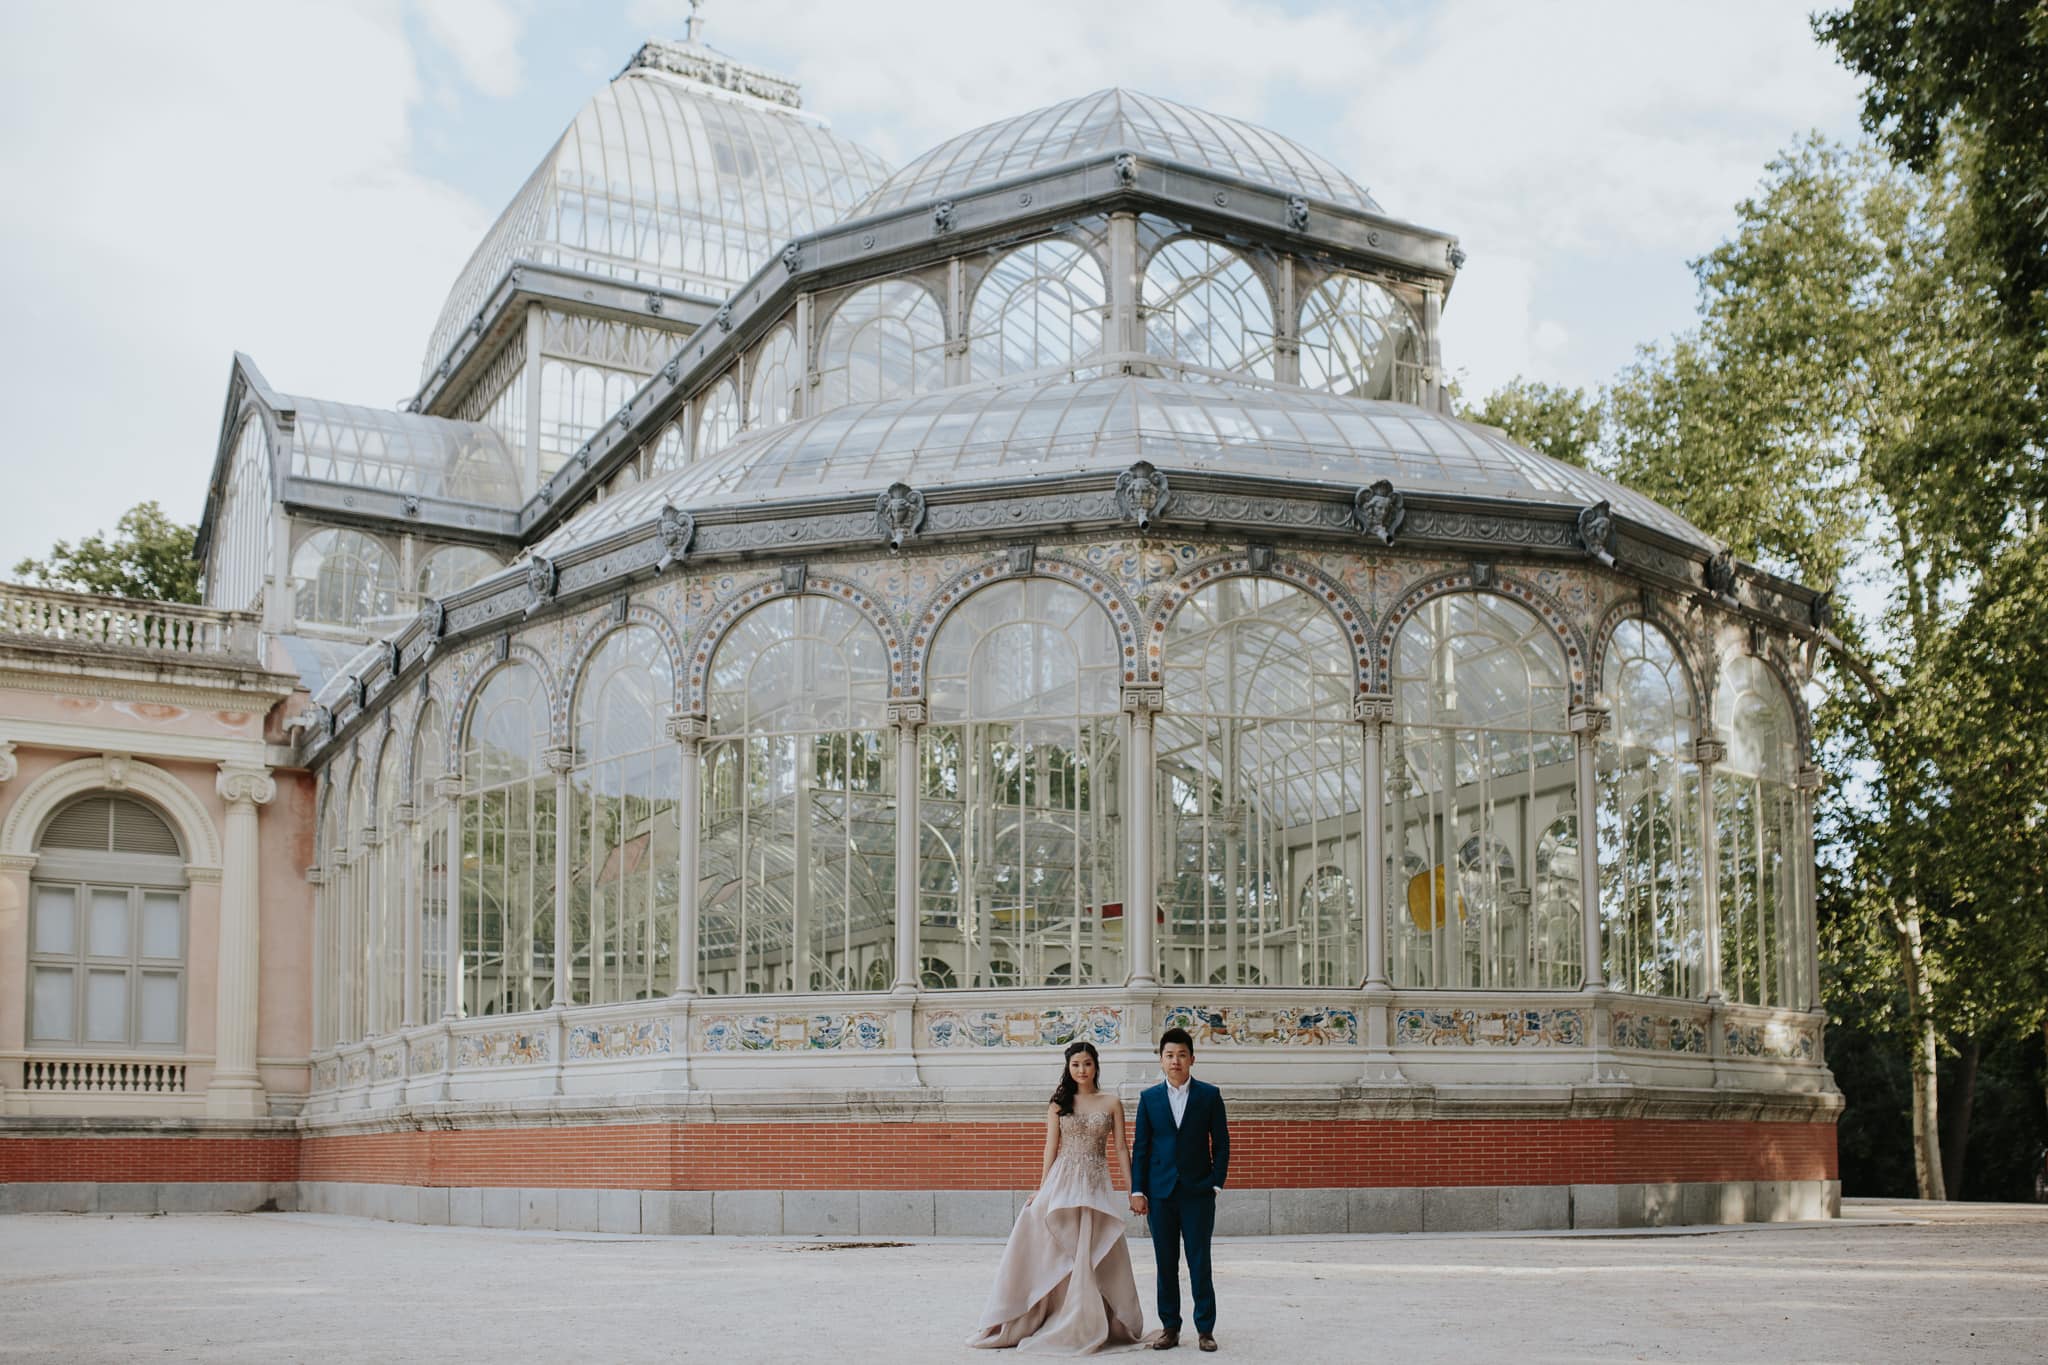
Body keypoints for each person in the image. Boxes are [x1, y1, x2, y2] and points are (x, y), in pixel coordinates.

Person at [970, 1041, 1147, 1354]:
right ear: (1068, 1067)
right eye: (1076, 1064)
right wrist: (1041, 1188)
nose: (1081, 1070)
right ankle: (1051, 1312)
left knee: (1091, 1247)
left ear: (1096, 1066)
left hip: (1094, 1183)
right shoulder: (1058, 1103)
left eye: (1087, 1063)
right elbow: (1050, 1148)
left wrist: (1133, 1189)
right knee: (1056, 1246)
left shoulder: (1111, 1102)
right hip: (1062, 1180)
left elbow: (1121, 1148)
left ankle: (1093, 1318)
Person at [1129, 1028, 1228, 1352]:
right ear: (1161, 1060)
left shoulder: (1209, 1095)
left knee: (1200, 1261)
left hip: (1198, 1192)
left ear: (1192, 1059)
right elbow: (1141, 1148)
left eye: (1182, 1055)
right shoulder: (1149, 1098)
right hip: (1161, 1193)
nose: (1176, 1061)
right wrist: (1138, 1190)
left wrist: (1215, 1181)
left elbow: (1222, 1142)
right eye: (1170, 1055)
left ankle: (1205, 1329)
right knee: (1165, 1263)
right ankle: (1170, 1327)